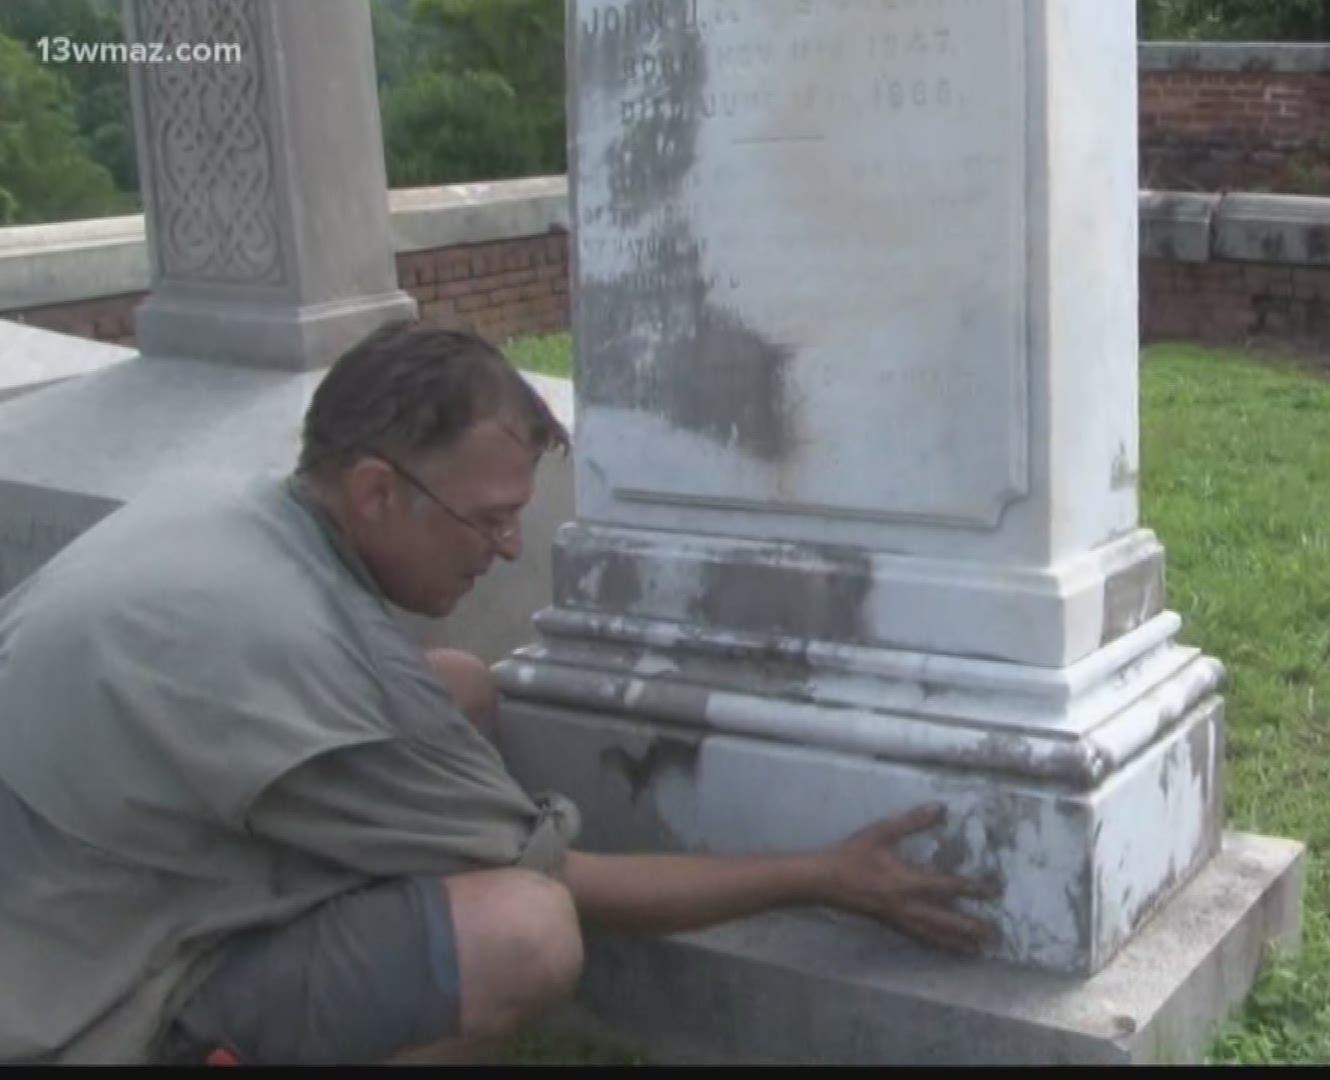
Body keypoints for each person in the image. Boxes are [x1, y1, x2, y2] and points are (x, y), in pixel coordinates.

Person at [0, 324, 999, 1065]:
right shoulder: (320, 662)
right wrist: (819, 874)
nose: (512, 549)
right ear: (377, 492)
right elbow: (573, 885)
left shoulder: (228, 512)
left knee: (464, 686)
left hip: (73, 891)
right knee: (523, 934)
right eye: (486, 521)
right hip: (73, 1005)